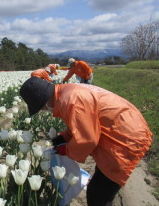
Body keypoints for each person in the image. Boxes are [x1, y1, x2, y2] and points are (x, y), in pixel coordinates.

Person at [19, 77, 152, 206]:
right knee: (100, 187)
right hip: (125, 125)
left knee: (98, 195)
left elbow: (88, 139)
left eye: (40, 108)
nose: (43, 111)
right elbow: (82, 124)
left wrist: (67, 150)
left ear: (44, 101)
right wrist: (64, 137)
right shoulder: (66, 92)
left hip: (125, 138)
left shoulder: (71, 101)